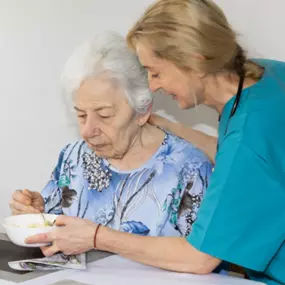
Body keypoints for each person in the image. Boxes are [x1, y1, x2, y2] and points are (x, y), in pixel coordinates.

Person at [9, 32, 213, 263]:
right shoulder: (73, 158)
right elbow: (54, 236)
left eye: (104, 115)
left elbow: (202, 260)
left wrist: (99, 238)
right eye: (81, 114)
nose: (88, 130)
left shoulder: (189, 169)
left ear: (142, 111)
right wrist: (37, 213)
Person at [125, 0, 285, 284]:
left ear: (195, 61)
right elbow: (250, 166)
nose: (152, 86)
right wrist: (168, 126)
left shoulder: (247, 140)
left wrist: (96, 236)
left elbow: (198, 258)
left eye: (156, 72)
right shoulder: (267, 75)